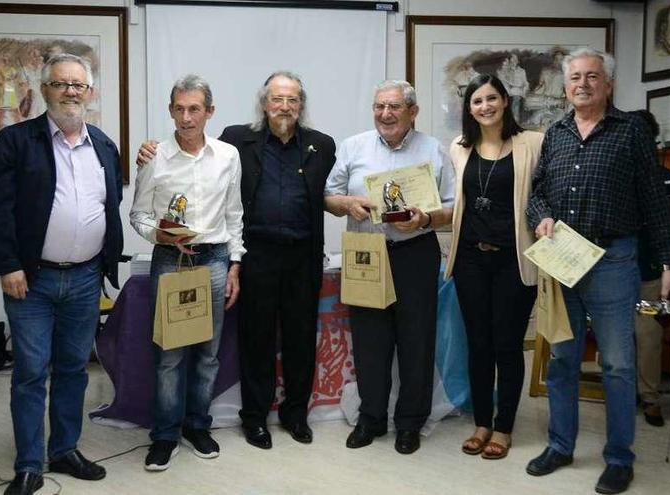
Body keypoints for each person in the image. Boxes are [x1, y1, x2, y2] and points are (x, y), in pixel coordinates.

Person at [137, 71, 336, 449]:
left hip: (301, 258)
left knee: (300, 339)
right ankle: (255, 419)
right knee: (256, 341)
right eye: (277, 99)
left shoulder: (322, 145)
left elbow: (335, 190)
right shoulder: (235, 140)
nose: (284, 106)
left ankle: (296, 414)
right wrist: (147, 149)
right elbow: (194, 154)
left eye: (292, 100)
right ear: (264, 103)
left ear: (301, 105)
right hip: (256, 255)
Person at [524, 48, 670, 495]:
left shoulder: (631, 130)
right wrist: (539, 217)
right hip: (562, 261)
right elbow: (537, 195)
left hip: (614, 261)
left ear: (608, 84)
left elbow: (656, 203)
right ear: (565, 85)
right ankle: (560, 445)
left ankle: (618, 457)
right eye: (575, 76)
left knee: (616, 363)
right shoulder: (554, 134)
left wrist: (669, 267)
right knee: (562, 359)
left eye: (592, 76)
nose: (582, 83)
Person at [0, 54, 123, 495]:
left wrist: (104, 262)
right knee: (29, 372)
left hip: (84, 279)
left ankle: (64, 448)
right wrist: (8, 265)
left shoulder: (102, 144)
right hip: (32, 281)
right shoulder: (16, 141)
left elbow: (108, 207)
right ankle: (28, 464)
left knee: (74, 370)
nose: (70, 92)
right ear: (45, 91)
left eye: (78, 85)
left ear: (90, 93)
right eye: (61, 84)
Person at [324, 80, 455, 455]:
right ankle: (371, 418)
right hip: (366, 250)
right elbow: (328, 196)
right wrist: (347, 204)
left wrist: (425, 219)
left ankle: (410, 423)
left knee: (416, 341)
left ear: (413, 112)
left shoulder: (433, 149)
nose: (385, 114)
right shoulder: (353, 147)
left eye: (394, 107)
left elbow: (450, 206)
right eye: (380, 106)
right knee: (369, 341)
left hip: (415, 251)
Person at [129, 74, 244, 470]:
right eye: (179, 108)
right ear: (170, 111)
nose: (186, 117)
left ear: (209, 112)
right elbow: (138, 215)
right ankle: (164, 435)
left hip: (213, 259)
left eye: (194, 109)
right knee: (169, 355)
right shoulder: (153, 156)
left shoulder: (228, 156)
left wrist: (235, 264)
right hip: (171, 260)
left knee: (207, 354)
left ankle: (198, 426)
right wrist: (157, 234)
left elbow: (234, 216)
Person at [444, 74, 543, 460]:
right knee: (478, 344)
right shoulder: (458, 146)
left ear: (505, 101)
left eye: (490, 99)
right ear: (469, 109)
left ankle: (504, 428)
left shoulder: (532, 143)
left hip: (512, 260)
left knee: (507, 345)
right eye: (476, 101)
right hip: (470, 258)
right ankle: (481, 423)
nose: (484, 106)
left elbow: (544, 193)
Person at [629, 109, 670, 428]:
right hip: (614, 272)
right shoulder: (614, 172)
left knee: (648, 332)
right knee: (614, 333)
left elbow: (666, 225)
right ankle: (618, 389)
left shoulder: (665, 176)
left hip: (649, 271)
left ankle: (650, 397)